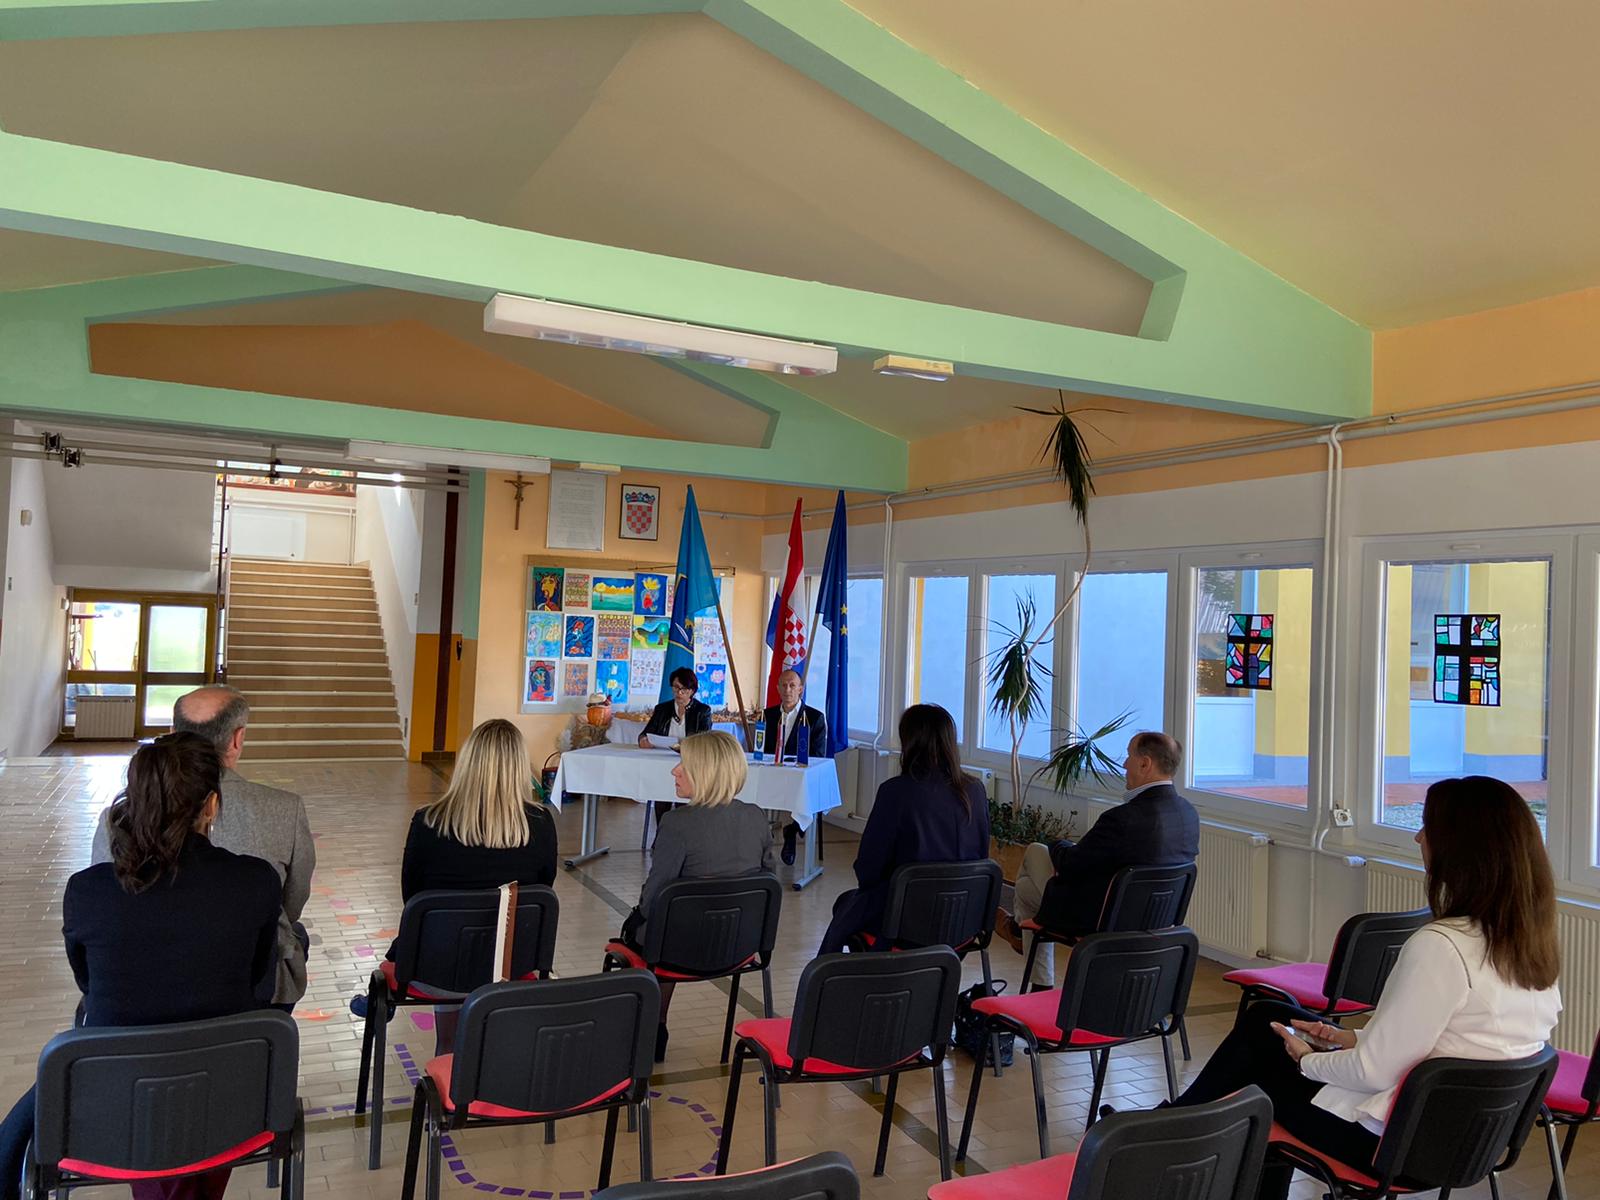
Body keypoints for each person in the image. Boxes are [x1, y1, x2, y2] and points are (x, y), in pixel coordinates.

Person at [1163, 775, 1561, 1189]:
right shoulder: (1527, 946)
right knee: (1270, 1015)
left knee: (1260, 1077)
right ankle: (1169, 1125)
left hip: (1392, 1147)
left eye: (1427, 828)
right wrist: (1349, 1038)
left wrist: (1307, 1060)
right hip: (1464, 1144)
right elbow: (1455, 1043)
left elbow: (1373, 1071)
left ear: (1460, 850)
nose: (1418, 838)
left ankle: (1162, 1134)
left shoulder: (1442, 946)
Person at [0, 733, 281, 1200]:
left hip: (116, 1103)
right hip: (230, 1099)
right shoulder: (256, 881)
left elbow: (89, 987)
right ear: (211, 806)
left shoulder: (88, 892)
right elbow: (259, 981)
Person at [91, 685, 315, 1011]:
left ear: (172, 734)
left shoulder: (114, 823)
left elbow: (105, 907)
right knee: (293, 935)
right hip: (251, 1007)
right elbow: (290, 903)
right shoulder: (283, 812)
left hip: (137, 1000)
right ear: (237, 739)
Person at [360, 719, 558, 1052]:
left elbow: (413, 897)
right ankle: (490, 1061)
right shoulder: (540, 825)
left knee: (446, 944)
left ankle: (448, 1056)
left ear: (467, 762)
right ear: (519, 768)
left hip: (433, 968)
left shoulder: (429, 821)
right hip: (513, 963)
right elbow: (543, 889)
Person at [997, 731, 1198, 986]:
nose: (1124, 764)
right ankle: (1033, 967)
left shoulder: (1122, 819)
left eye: (1129, 756)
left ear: (1145, 764)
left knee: (1036, 850)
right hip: (1156, 920)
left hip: (1100, 919)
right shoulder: (1188, 815)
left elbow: (1070, 864)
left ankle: (1025, 947)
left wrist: (1058, 843)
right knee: (1026, 891)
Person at [619, 730, 773, 1062]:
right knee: (674, 925)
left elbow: (653, 898)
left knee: (653, 931)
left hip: (680, 950)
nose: (674, 771)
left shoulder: (677, 823)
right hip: (741, 946)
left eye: (684, 765)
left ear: (705, 771)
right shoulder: (757, 817)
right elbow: (768, 882)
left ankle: (652, 1029)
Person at [818, 704, 989, 954]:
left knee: (847, 905)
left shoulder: (896, 792)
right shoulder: (975, 791)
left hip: (905, 922)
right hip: (963, 921)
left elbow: (869, 869)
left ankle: (846, 976)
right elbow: (981, 854)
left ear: (910, 742)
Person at [761, 669, 828, 865]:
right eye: (783, 685)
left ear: (800, 689)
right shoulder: (768, 715)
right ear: (777, 688)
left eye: (792, 686)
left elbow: (817, 755)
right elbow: (762, 748)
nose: (788, 690)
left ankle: (791, 831)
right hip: (772, 774)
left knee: (803, 792)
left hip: (800, 777)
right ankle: (761, 839)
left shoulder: (815, 717)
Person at [638, 667, 713, 746]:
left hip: (690, 752)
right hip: (662, 752)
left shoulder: (702, 711)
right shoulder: (661, 709)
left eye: (684, 689)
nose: (679, 692)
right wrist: (643, 740)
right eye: (676, 687)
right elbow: (645, 734)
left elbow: (705, 740)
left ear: (692, 691)